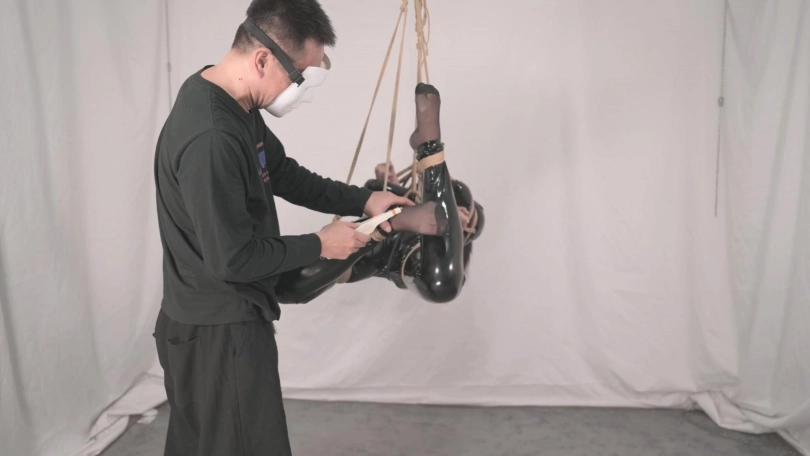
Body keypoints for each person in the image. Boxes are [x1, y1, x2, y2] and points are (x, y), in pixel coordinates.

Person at [151, 1, 412, 455]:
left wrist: (363, 199)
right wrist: (320, 244)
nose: (301, 92)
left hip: (211, 324)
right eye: (301, 77)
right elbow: (233, 260)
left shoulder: (230, 99)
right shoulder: (212, 137)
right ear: (262, 59)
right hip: (219, 334)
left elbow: (284, 174)